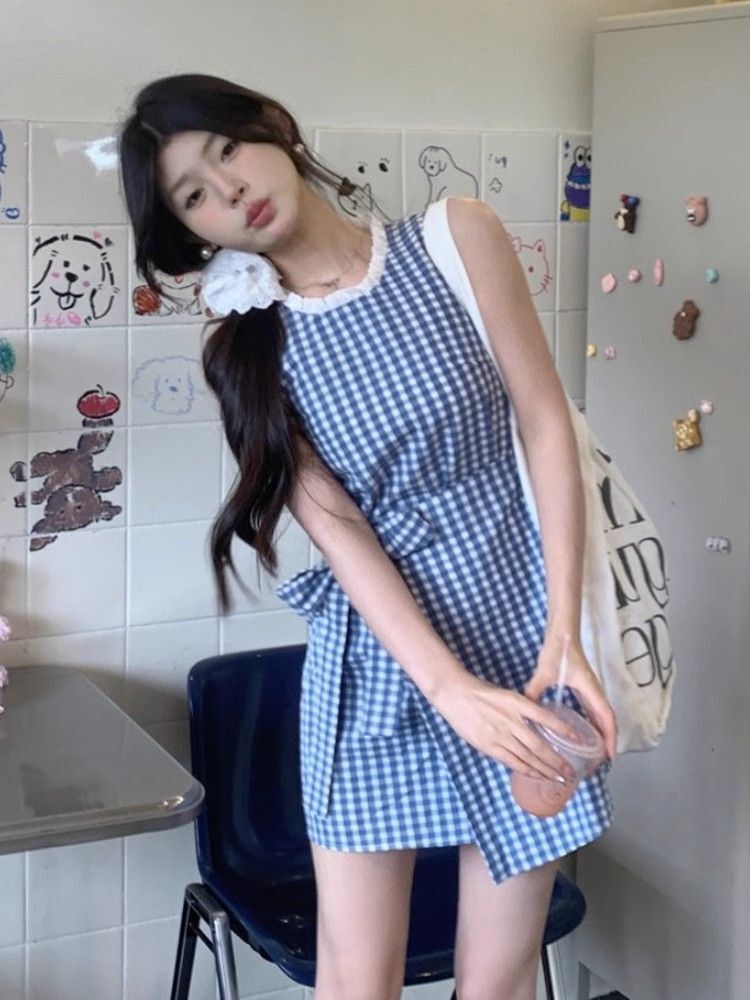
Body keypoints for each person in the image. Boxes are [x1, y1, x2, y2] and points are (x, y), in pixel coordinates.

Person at [118, 73, 617, 1000]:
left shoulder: (457, 237)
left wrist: (566, 636)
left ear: (273, 126)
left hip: (524, 628)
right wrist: (449, 688)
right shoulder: (242, 347)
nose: (229, 189)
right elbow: (339, 529)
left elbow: (545, 422)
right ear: (190, 231)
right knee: (357, 980)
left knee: (500, 977)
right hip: (381, 661)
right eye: (194, 194)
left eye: (227, 150)